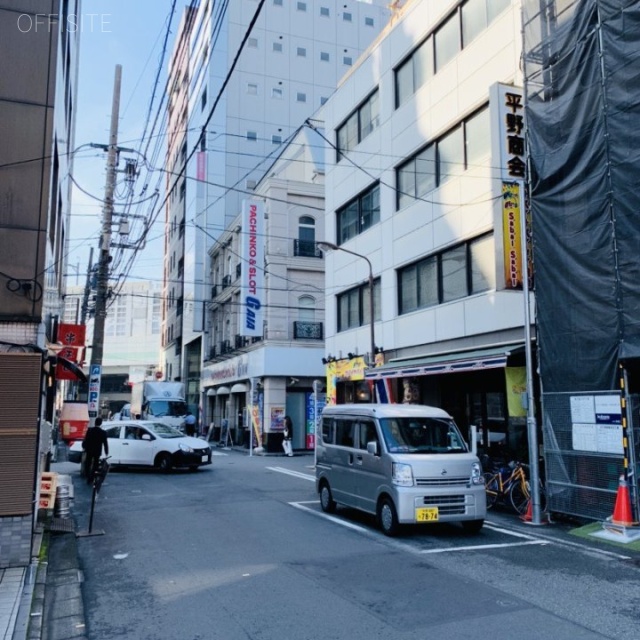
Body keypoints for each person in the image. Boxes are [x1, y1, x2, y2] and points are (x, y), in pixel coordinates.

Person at [82, 417, 109, 485]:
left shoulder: (90, 430)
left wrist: (85, 447)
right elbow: (105, 443)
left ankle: (87, 476)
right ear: (101, 423)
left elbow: (86, 440)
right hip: (97, 451)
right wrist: (106, 452)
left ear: (95, 422)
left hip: (89, 450)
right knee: (95, 464)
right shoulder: (103, 432)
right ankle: (92, 477)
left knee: (88, 463)